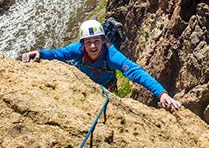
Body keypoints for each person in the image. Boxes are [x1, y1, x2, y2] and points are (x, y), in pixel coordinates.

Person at [22, 19, 181, 110]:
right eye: (88, 42)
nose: (92, 46)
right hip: (83, 86)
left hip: (106, 88)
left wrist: (162, 93)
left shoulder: (112, 56)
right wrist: (40, 53)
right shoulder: (77, 49)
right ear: (83, 43)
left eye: (96, 41)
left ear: (104, 41)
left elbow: (135, 72)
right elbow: (59, 53)